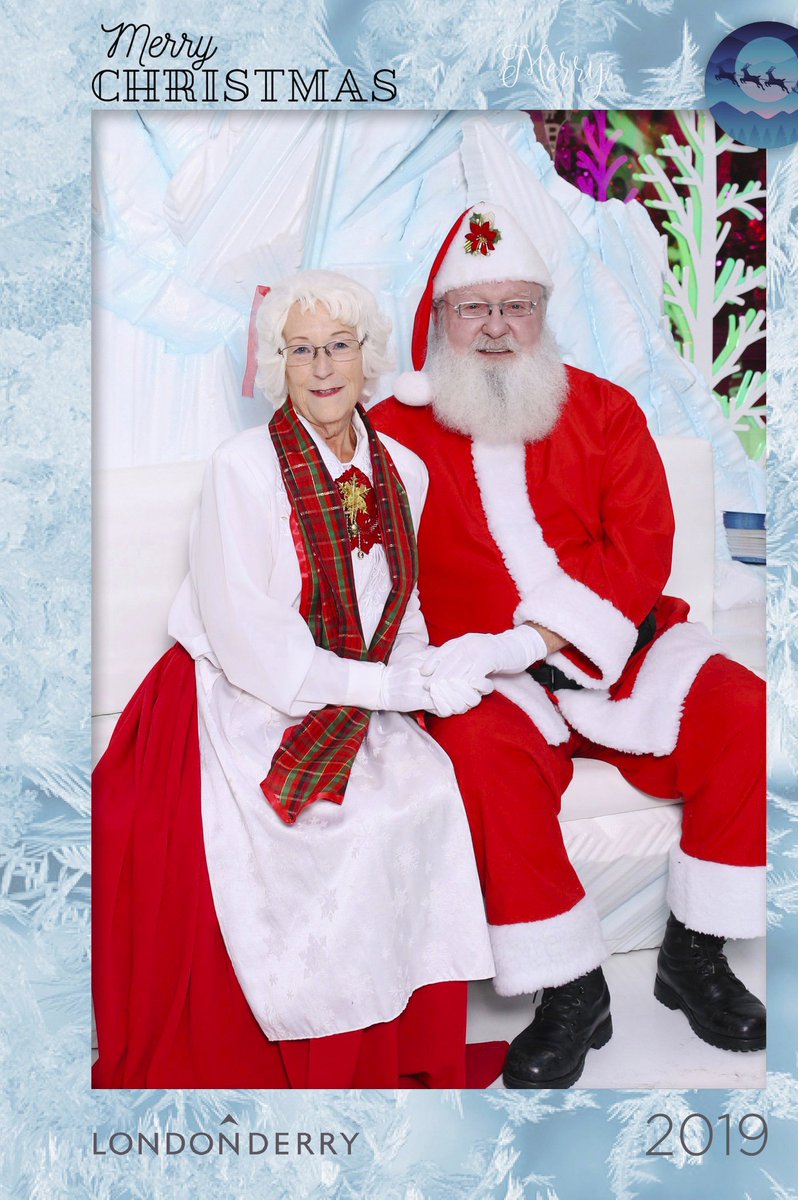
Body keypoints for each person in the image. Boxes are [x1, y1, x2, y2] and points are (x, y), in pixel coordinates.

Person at [372, 204, 766, 1089]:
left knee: (743, 707)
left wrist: (550, 632)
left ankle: (694, 955)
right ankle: (568, 986)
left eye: (518, 305)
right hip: (485, 675)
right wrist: (446, 659)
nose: (498, 327)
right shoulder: (394, 430)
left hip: (619, 650)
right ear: (439, 321)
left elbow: (640, 547)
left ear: (544, 314)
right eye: (474, 308)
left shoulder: (604, 408)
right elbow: (371, 567)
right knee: (475, 754)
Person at [92, 269, 508, 1089]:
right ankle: (307, 1064)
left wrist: (432, 669)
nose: (322, 368)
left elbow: (402, 613)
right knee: (323, 825)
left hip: (346, 690)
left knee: (424, 792)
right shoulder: (242, 467)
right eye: (301, 351)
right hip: (237, 695)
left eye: (338, 347)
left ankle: (391, 1056)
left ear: (369, 356)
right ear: (278, 365)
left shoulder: (406, 474)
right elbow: (255, 649)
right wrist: (396, 693)